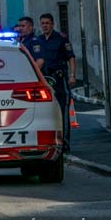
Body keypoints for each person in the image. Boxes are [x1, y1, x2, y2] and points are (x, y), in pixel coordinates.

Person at [36, 13, 76, 151]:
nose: (45, 25)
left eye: (47, 23)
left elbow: (71, 57)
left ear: (53, 24)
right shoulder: (38, 40)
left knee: (62, 111)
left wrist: (72, 75)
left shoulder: (61, 39)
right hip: (44, 80)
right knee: (45, 112)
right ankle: (50, 143)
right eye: (43, 23)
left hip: (59, 79)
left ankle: (64, 143)